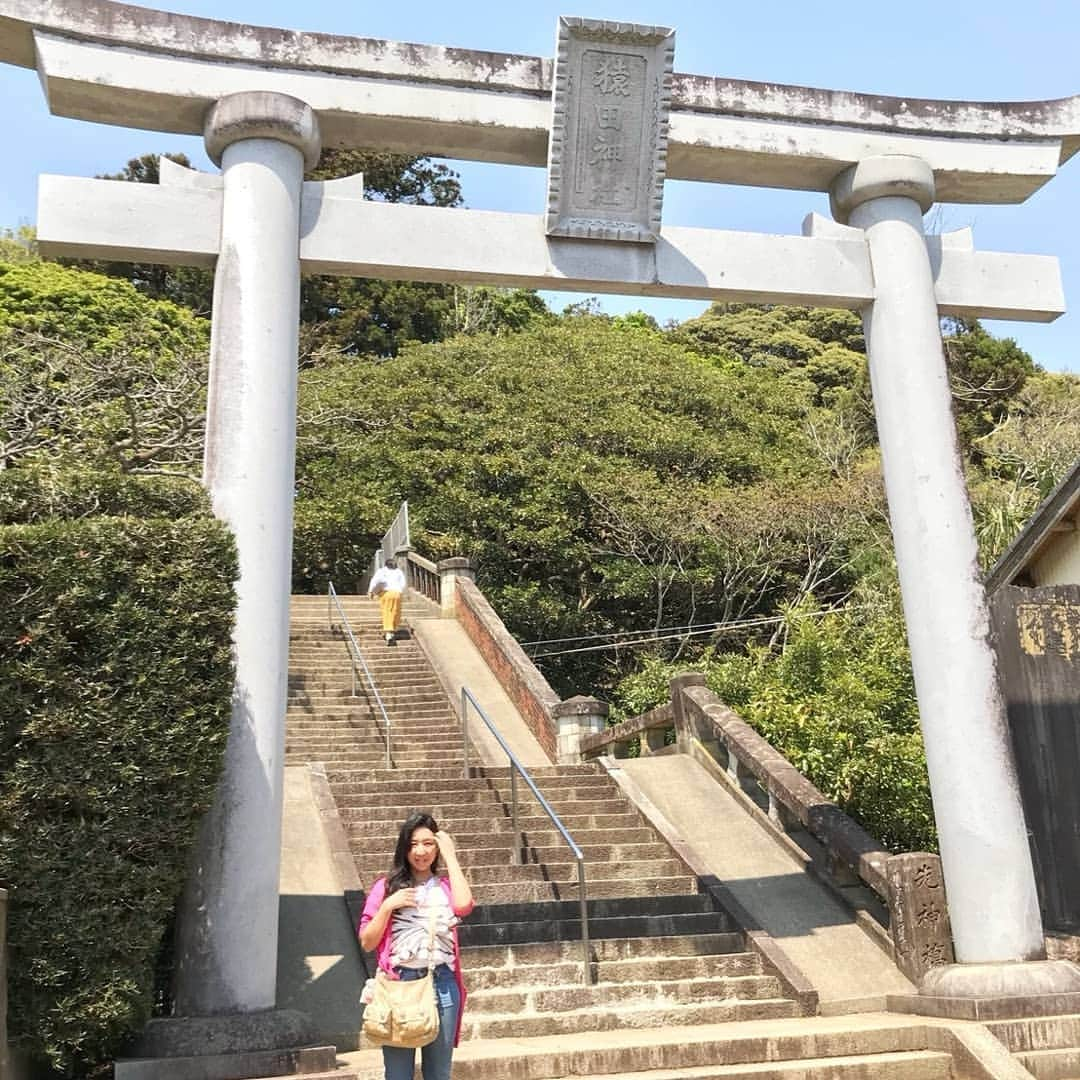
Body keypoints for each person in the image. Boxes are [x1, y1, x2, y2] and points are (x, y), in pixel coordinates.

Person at [359, 812, 475, 1080]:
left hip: (443, 984)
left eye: (428, 843)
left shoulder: (445, 887)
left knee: (439, 1074)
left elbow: (463, 905)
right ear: (404, 848)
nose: (420, 851)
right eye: (413, 844)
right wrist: (388, 905)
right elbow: (367, 942)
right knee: (398, 1075)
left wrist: (451, 856)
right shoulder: (386, 888)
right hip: (400, 987)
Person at [368, 557, 407, 645]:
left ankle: (389, 634)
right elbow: (403, 584)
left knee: (387, 612)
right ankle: (392, 630)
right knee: (395, 612)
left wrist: (371, 591)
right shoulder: (399, 572)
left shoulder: (382, 571)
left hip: (387, 593)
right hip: (397, 593)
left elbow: (375, 581)